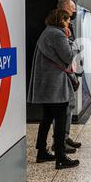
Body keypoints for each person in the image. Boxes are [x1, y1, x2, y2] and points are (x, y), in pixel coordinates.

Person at [28, 9, 80, 169]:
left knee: (47, 118)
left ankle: (41, 151)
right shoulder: (57, 35)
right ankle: (60, 157)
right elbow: (68, 56)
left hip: (46, 83)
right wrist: (71, 41)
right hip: (55, 85)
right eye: (67, 20)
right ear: (61, 20)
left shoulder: (47, 32)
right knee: (61, 119)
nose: (69, 23)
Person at [55, 0, 82, 152]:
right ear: (65, 8)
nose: (74, 10)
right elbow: (66, 50)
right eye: (72, 7)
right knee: (63, 107)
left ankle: (65, 136)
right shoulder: (58, 28)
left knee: (70, 104)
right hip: (61, 72)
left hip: (69, 69)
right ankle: (59, 141)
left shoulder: (68, 25)